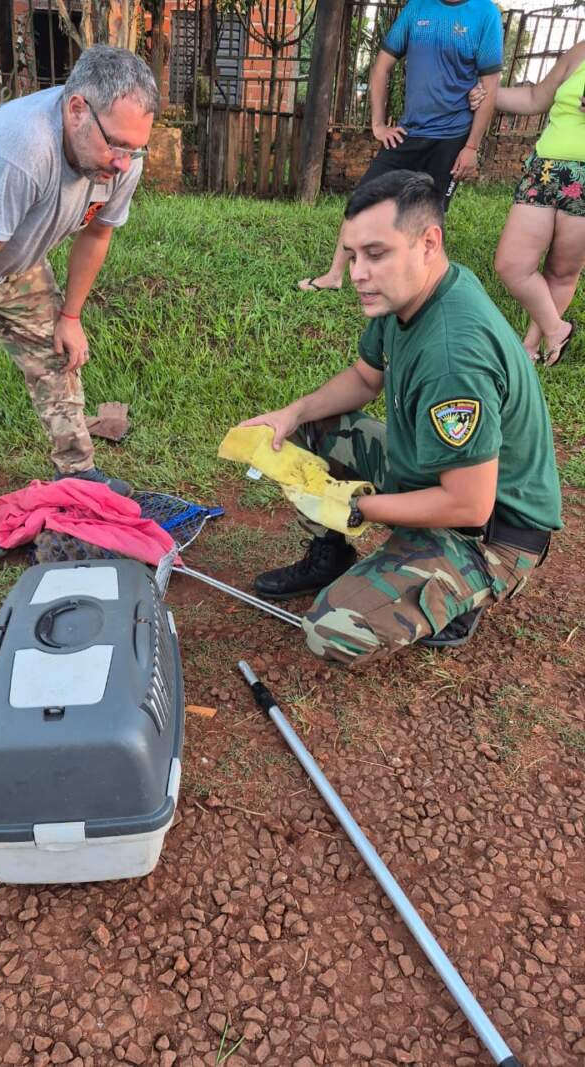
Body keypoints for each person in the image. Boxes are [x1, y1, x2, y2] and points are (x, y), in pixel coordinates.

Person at [248, 172, 561, 665]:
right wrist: (292, 413)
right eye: (352, 255)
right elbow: (364, 377)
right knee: (313, 430)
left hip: (493, 531)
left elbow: (470, 505)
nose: (357, 273)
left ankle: (457, 596)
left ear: (428, 243)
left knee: (331, 629)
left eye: (376, 254)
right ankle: (334, 557)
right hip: (436, 475)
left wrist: (355, 504)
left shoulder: (453, 358)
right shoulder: (412, 296)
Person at [0, 46, 158, 563]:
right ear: (76, 109)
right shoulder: (21, 151)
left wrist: (71, 316)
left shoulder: (120, 155)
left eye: (137, 148)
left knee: (58, 355)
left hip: (15, 249)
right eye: (118, 146)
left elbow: (98, 232)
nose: (125, 162)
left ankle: (77, 470)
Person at [297, 0, 503, 293]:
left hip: (453, 136)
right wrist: (379, 125)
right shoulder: (417, 9)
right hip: (408, 132)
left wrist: (471, 147)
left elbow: (490, 87)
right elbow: (381, 67)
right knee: (362, 201)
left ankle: (418, 288)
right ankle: (333, 276)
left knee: (430, 215)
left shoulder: (485, 14)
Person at [469, 41, 585, 365]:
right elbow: (536, 98)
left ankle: (530, 347)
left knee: (562, 270)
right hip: (545, 170)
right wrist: (488, 93)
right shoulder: (579, 51)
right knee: (511, 264)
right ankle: (556, 328)